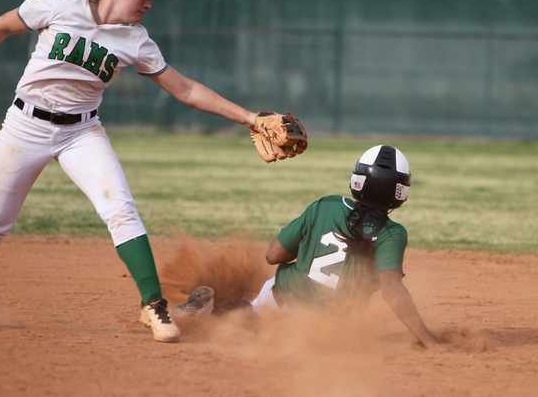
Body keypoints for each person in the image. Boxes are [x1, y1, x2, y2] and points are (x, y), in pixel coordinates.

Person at [0, 0, 266, 343]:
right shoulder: (58, 6)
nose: (149, 3)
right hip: (25, 125)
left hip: (80, 132)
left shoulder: (135, 41)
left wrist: (250, 118)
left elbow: (186, 89)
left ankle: (153, 305)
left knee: (120, 208)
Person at [173, 145, 455, 351]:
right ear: (400, 193)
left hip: (283, 297)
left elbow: (272, 256)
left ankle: (209, 317)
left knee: (257, 309)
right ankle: (264, 334)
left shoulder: (327, 205)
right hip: (328, 328)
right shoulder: (392, 234)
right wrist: (428, 341)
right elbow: (393, 290)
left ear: (357, 180)